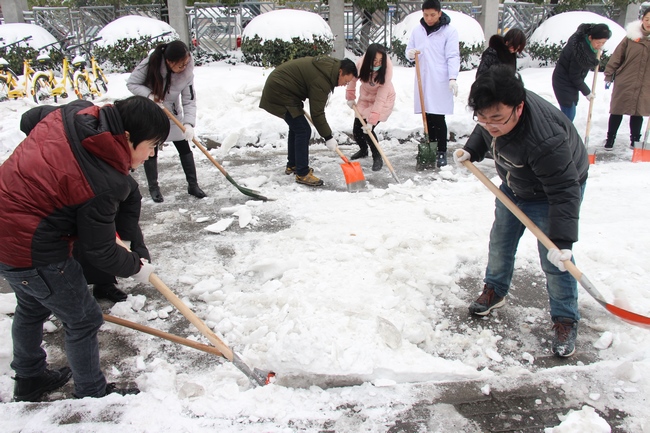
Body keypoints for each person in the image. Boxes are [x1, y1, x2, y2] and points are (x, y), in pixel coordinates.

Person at [0, 96, 167, 401]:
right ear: (128, 137)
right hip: (33, 248)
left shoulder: (75, 112)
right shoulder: (103, 180)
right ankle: (91, 393)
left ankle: (29, 378)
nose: (153, 154)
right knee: (84, 319)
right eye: (153, 145)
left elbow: (31, 120)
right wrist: (136, 266)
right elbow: (99, 249)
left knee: (32, 306)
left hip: (6, 231)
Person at [454, 65, 589, 358]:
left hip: (554, 190)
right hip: (516, 183)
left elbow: (564, 192)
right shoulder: (496, 108)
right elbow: (487, 126)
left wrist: (562, 243)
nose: (490, 125)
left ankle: (565, 319)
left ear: (519, 108)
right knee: (501, 241)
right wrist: (473, 150)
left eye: (498, 119)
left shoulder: (545, 139)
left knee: (554, 260)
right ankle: (495, 291)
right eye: (483, 117)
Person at [127, 40, 206, 202]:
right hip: (151, 113)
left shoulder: (186, 73)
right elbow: (132, 83)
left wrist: (189, 124)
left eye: (186, 63)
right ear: (169, 62)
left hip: (172, 112)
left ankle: (193, 185)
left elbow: (189, 100)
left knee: (184, 146)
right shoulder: (151, 64)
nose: (184, 67)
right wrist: (149, 96)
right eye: (180, 65)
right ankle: (154, 188)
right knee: (151, 149)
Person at [259, 56, 358, 186]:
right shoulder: (322, 79)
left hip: (284, 89)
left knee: (297, 127)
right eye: (346, 81)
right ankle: (302, 173)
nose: (344, 84)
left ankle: (293, 165)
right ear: (340, 72)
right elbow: (317, 113)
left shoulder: (329, 69)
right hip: (279, 91)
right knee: (303, 129)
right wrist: (328, 137)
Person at [73, 176, 151, 304]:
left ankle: (103, 285)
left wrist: (128, 245)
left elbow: (129, 217)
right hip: (79, 208)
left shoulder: (124, 184)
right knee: (86, 246)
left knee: (124, 236)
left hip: (108, 204)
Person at [405, 0, 460, 170]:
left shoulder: (449, 32)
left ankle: (442, 150)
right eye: (426, 15)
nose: (429, 18)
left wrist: (452, 77)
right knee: (427, 115)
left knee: (438, 116)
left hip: (440, 79)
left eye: (432, 15)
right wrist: (410, 53)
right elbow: (409, 50)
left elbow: (453, 55)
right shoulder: (417, 30)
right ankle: (431, 147)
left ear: (439, 13)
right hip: (423, 78)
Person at [603, 8, 650, 150]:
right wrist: (609, 74)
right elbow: (617, 56)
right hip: (626, 79)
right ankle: (610, 138)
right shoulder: (631, 36)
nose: (649, 22)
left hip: (646, 82)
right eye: (647, 19)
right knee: (617, 109)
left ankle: (635, 139)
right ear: (642, 19)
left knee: (638, 111)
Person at [345, 43, 396, 172]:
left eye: (380, 61)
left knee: (367, 131)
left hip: (383, 100)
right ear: (368, 59)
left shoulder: (386, 72)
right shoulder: (361, 64)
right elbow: (352, 80)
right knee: (357, 130)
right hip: (366, 97)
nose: (378, 63)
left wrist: (372, 120)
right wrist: (350, 96)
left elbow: (380, 99)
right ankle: (363, 150)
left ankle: (377, 156)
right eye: (375, 60)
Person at [552, 23, 611, 122]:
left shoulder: (584, 43)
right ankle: (561, 135)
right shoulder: (580, 53)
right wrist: (587, 92)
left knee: (569, 114)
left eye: (603, 43)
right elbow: (574, 76)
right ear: (590, 37)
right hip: (563, 82)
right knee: (568, 116)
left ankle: (563, 133)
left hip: (570, 83)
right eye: (598, 42)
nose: (600, 45)